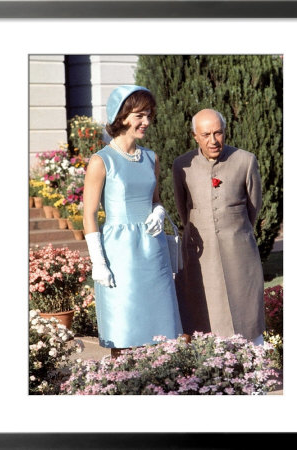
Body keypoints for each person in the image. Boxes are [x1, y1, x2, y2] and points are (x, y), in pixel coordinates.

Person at [83, 85, 183, 358]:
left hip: (153, 249)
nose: (147, 122)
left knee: (160, 327)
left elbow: (156, 199)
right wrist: (98, 262)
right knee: (125, 326)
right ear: (122, 116)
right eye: (140, 115)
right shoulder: (101, 161)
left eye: (149, 115)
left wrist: (158, 211)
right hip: (119, 253)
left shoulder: (151, 158)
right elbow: (89, 214)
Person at [172, 109, 265, 346]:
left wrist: (234, 229)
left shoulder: (245, 160)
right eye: (206, 135)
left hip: (238, 246)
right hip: (200, 252)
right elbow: (184, 210)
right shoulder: (182, 165)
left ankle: (251, 363)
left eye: (218, 133)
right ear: (195, 136)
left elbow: (254, 205)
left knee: (244, 305)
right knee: (202, 307)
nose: (213, 141)